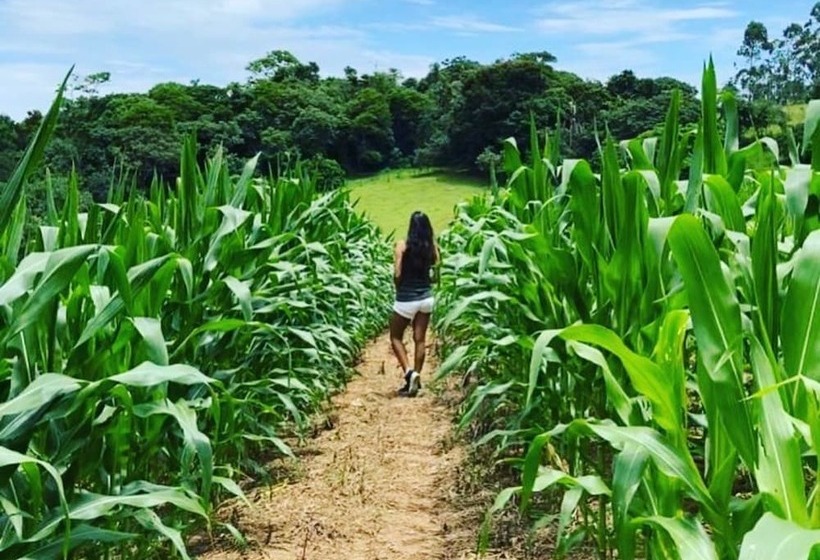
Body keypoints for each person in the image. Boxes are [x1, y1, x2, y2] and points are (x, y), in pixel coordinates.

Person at [391, 211, 439, 397]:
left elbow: (397, 274)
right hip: (426, 298)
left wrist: (399, 288)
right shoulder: (431, 247)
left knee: (395, 336)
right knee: (420, 339)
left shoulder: (402, 245)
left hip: (406, 298)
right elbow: (436, 273)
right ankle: (417, 378)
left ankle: (409, 373)